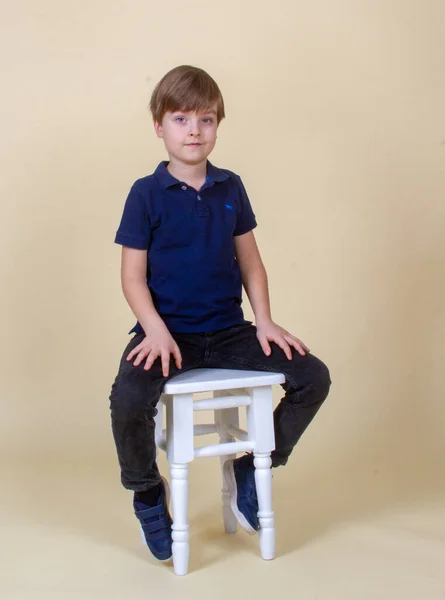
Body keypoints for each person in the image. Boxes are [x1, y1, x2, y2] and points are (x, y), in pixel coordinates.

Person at [109, 65, 331, 562]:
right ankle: (148, 494)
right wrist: (155, 330)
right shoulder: (145, 194)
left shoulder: (231, 187)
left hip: (228, 331)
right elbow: (131, 277)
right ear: (159, 126)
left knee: (313, 377)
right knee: (128, 398)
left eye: (206, 120)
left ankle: (255, 466)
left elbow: (250, 262)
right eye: (181, 119)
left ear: (218, 126)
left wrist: (266, 321)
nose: (194, 130)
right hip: (168, 334)